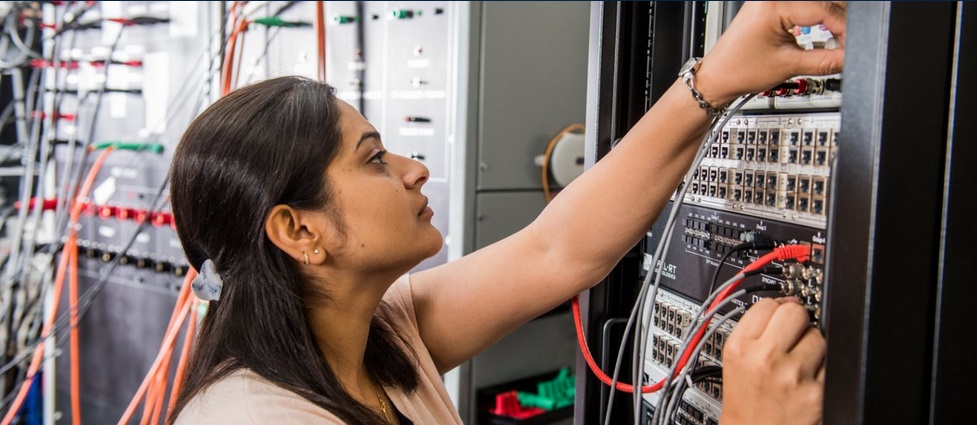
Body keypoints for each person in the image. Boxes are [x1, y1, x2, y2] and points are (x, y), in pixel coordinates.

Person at [167, 2, 846, 424]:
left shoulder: (376, 334)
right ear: (299, 230)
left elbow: (558, 250)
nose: (414, 168)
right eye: (373, 158)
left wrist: (715, 79)